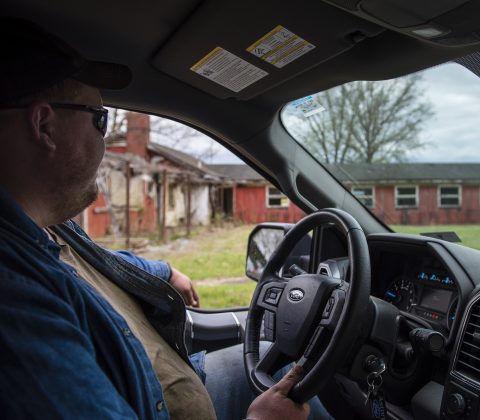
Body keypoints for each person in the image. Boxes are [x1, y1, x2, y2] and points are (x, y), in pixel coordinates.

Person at [0, 17, 311, 420]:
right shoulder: (14, 299)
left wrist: (162, 271)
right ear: (44, 125)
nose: (105, 144)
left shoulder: (44, 228)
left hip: (170, 384)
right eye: (99, 120)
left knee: (277, 361)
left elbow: (97, 261)